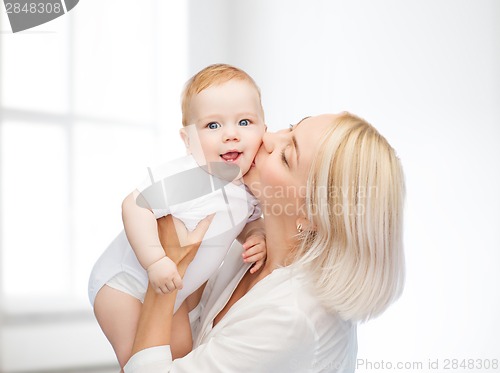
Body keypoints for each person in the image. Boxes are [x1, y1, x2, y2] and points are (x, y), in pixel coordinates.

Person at [123, 112, 406, 372]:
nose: (267, 137)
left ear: (312, 215)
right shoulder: (253, 250)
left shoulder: (292, 316)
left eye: (286, 155)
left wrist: (167, 273)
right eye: (292, 127)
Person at [88, 64, 268, 369]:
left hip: (173, 293)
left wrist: (256, 235)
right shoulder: (194, 176)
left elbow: (248, 219)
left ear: (264, 128)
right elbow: (135, 205)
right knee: (137, 356)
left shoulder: (247, 186)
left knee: (182, 356)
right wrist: (155, 260)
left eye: (245, 121)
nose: (231, 134)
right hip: (124, 285)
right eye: (213, 126)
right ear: (188, 140)